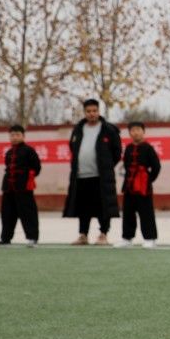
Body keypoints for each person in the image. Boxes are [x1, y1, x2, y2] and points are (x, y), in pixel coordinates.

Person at [63, 99, 121, 245]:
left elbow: (117, 152)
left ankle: (103, 234)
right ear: (84, 112)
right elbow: (73, 148)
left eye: (94, 111)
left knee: (103, 206)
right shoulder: (78, 129)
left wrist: (105, 166)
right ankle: (83, 235)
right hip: (81, 176)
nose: (92, 114)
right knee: (83, 207)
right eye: (88, 111)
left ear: (98, 111)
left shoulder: (108, 129)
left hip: (101, 177)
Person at [116, 122, 162, 249]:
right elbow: (126, 165)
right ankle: (127, 238)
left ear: (143, 131)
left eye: (138, 130)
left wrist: (148, 180)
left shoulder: (148, 148)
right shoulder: (129, 148)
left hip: (143, 186)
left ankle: (150, 238)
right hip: (129, 185)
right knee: (128, 212)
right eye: (133, 130)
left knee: (146, 213)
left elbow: (156, 167)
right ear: (130, 132)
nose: (135, 132)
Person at [0, 124, 41, 247]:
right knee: (7, 214)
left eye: (17, 135)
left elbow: (36, 167)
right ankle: (5, 238)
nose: (14, 137)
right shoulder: (9, 152)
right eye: (12, 135)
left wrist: (28, 178)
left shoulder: (29, 150)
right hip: (8, 188)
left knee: (28, 214)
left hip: (24, 187)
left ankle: (32, 238)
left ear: (23, 136)